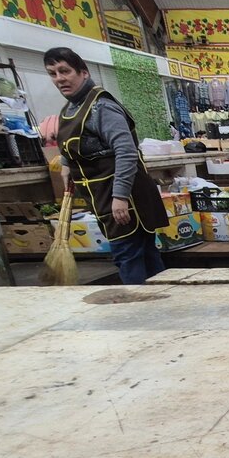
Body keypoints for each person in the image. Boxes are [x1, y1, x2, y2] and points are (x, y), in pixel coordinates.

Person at [44, 47, 168, 284]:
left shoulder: (101, 107)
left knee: (129, 256)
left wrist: (120, 196)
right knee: (142, 255)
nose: (59, 78)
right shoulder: (70, 109)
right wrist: (67, 164)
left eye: (65, 71)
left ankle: (139, 304)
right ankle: (162, 298)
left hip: (125, 197)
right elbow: (73, 142)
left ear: (83, 72)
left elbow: (126, 151)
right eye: (53, 73)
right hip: (102, 196)